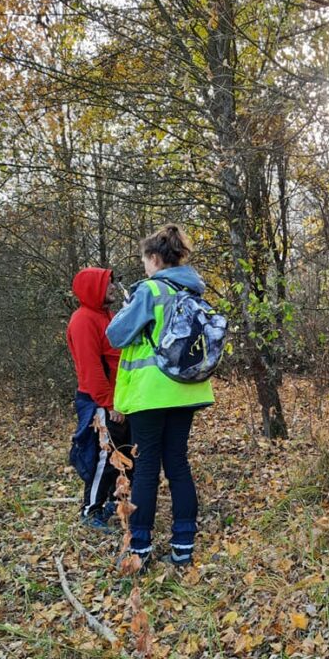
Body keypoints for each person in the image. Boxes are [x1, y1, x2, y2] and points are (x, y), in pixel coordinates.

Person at [106, 223, 214, 571]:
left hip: (151, 394)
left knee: (147, 468)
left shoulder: (150, 291)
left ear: (154, 258)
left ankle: (140, 547)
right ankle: (183, 547)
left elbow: (115, 335)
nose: (144, 267)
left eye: (144, 261)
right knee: (178, 464)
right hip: (186, 390)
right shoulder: (195, 291)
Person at [67, 267, 130, 530]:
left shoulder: (106, 316)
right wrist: (109, 403)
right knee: (104, 457)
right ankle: (90, 512)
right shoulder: (83, 320)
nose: (113, 287)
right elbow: (90, 369)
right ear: (94, 289)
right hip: (99, 402)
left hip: (115, 400)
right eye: (108, 284)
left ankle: (105, 506)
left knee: (119, 456)